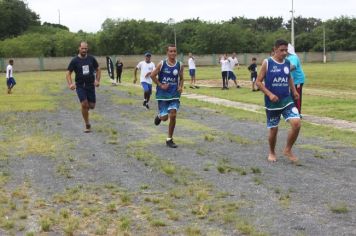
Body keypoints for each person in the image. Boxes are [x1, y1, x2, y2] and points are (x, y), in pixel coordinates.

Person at [256, 39, 301, 163]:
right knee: (274, 130)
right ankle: (271, 151)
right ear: (275, 49)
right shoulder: (267, 62)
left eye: (286, 50)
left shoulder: (287, 63)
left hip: (286, 100)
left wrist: (294, 91)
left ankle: (287, 149)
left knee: (296, 123)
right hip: (272, 104)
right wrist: (269, 94)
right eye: (282, 50)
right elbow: (258, 82)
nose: (285, 53)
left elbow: (289, 77)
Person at [150, 45, 184, 148]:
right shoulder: (162, 64)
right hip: (163, 94)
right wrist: (160, 85)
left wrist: (180, 86)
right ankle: (160, 116)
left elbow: (182, 78)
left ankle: (169, 139)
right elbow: (152, 75)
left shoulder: (180, 65)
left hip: (174, 94)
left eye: (174, 51)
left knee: (173, 115)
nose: (173, 53)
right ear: (167, 53)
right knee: (165, 118)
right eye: (171, 51)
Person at [66, 41, 101, 133]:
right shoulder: (74, 61)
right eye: (82, 48)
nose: (84, 50)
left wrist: (97, 80)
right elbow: (68, 73)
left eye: (85, 48)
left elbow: (98, 69)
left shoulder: (91, 59)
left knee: (92, 106)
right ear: (79, 48)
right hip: (80, 85)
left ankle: (84, 109)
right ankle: (87, 124)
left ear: (87, 49)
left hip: (90, 85)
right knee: (84, 104)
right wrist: (70, 84)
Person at [287, 44, 306, 115]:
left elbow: (293, 67)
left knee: (296, 96)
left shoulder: (293, 57)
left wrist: (284, 70)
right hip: (293, 80)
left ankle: (298, 113)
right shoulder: (288, 57)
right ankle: (293, 111)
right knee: (291, 96)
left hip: (298, 80)